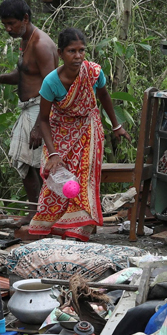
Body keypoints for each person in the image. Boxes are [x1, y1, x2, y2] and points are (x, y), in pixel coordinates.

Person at [27, 28, 133, 242]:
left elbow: (104, 96)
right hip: (59, 130)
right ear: (60, 53)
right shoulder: (50, 82)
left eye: (81, 51)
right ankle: (52, 227)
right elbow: (45, 120)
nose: (77, 56)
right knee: (56, 176)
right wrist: (54, 152)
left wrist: (116, 125)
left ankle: (77, 230)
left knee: (83, 179)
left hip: (88, 127)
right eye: (71, 51)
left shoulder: (93, 72)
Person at [0, 0, 58, 222]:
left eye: (11, 24)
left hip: (39, 109)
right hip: (30, 109)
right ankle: (36, 211)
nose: (8, 29)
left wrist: (40, 125)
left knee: (31, 163)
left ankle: (38, 213)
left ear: (25, 19)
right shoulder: (26, 41)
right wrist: (0, 78)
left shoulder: (41, 44)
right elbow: (26, 74)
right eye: (5, 25)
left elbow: (51, 85)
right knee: (25, 162)